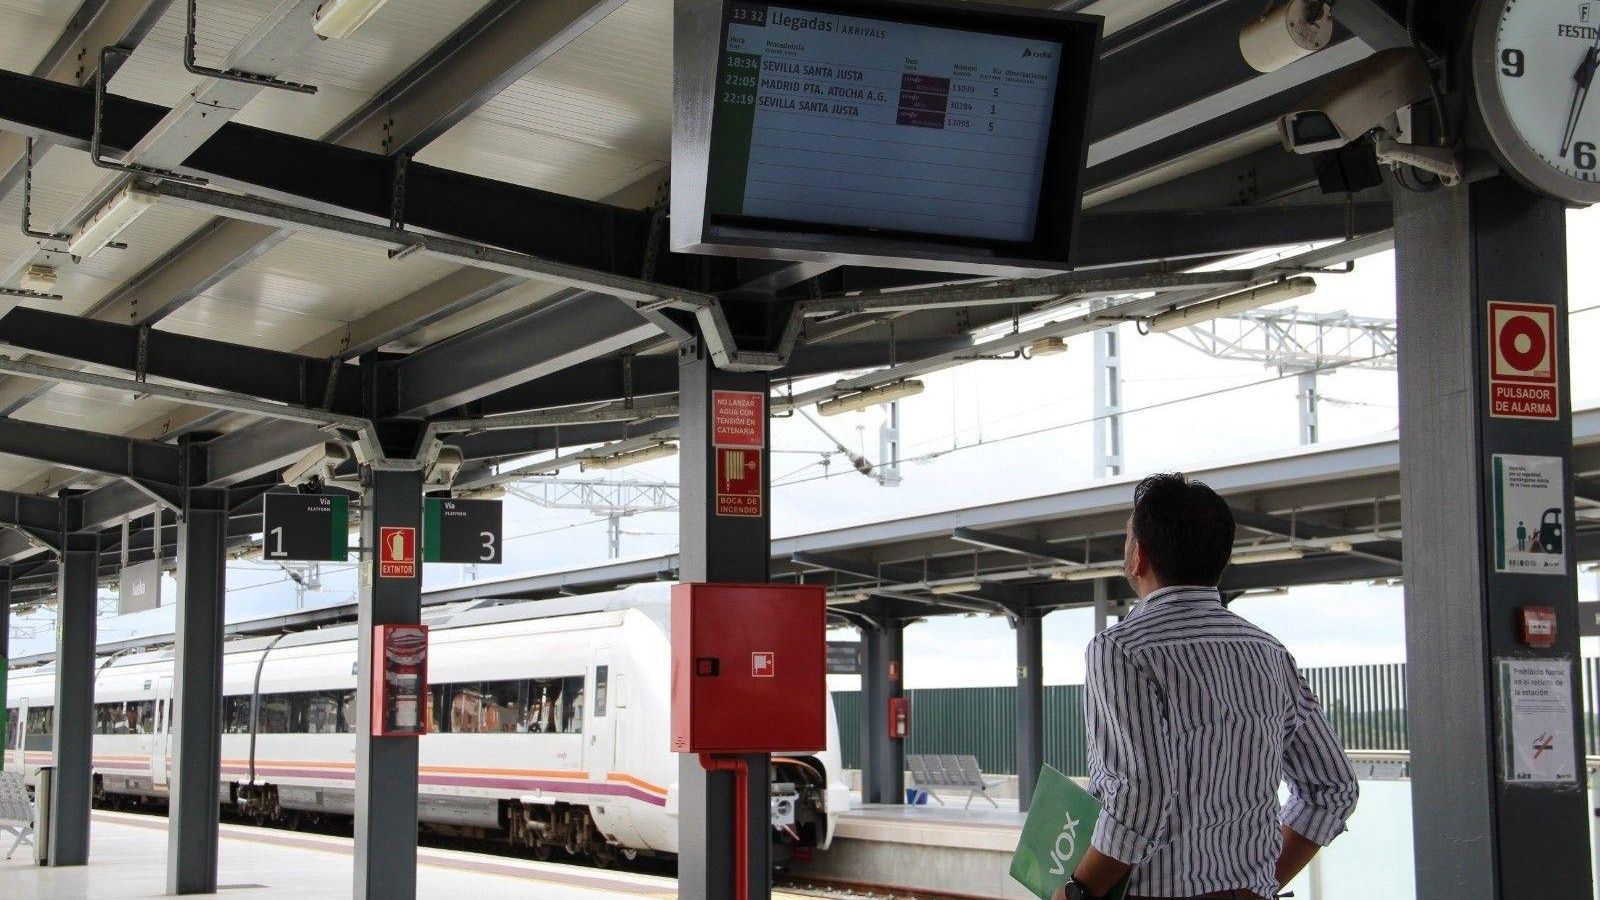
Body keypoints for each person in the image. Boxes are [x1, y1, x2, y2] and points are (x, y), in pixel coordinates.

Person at [1054, 473, 1359, 900]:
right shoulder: (1268, 652)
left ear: (1138, 556)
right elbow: (1332, 788)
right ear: (1219, 558)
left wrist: (1078, 891)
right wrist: (1261, 884)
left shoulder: (1122, 649)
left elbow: (1138, 797)